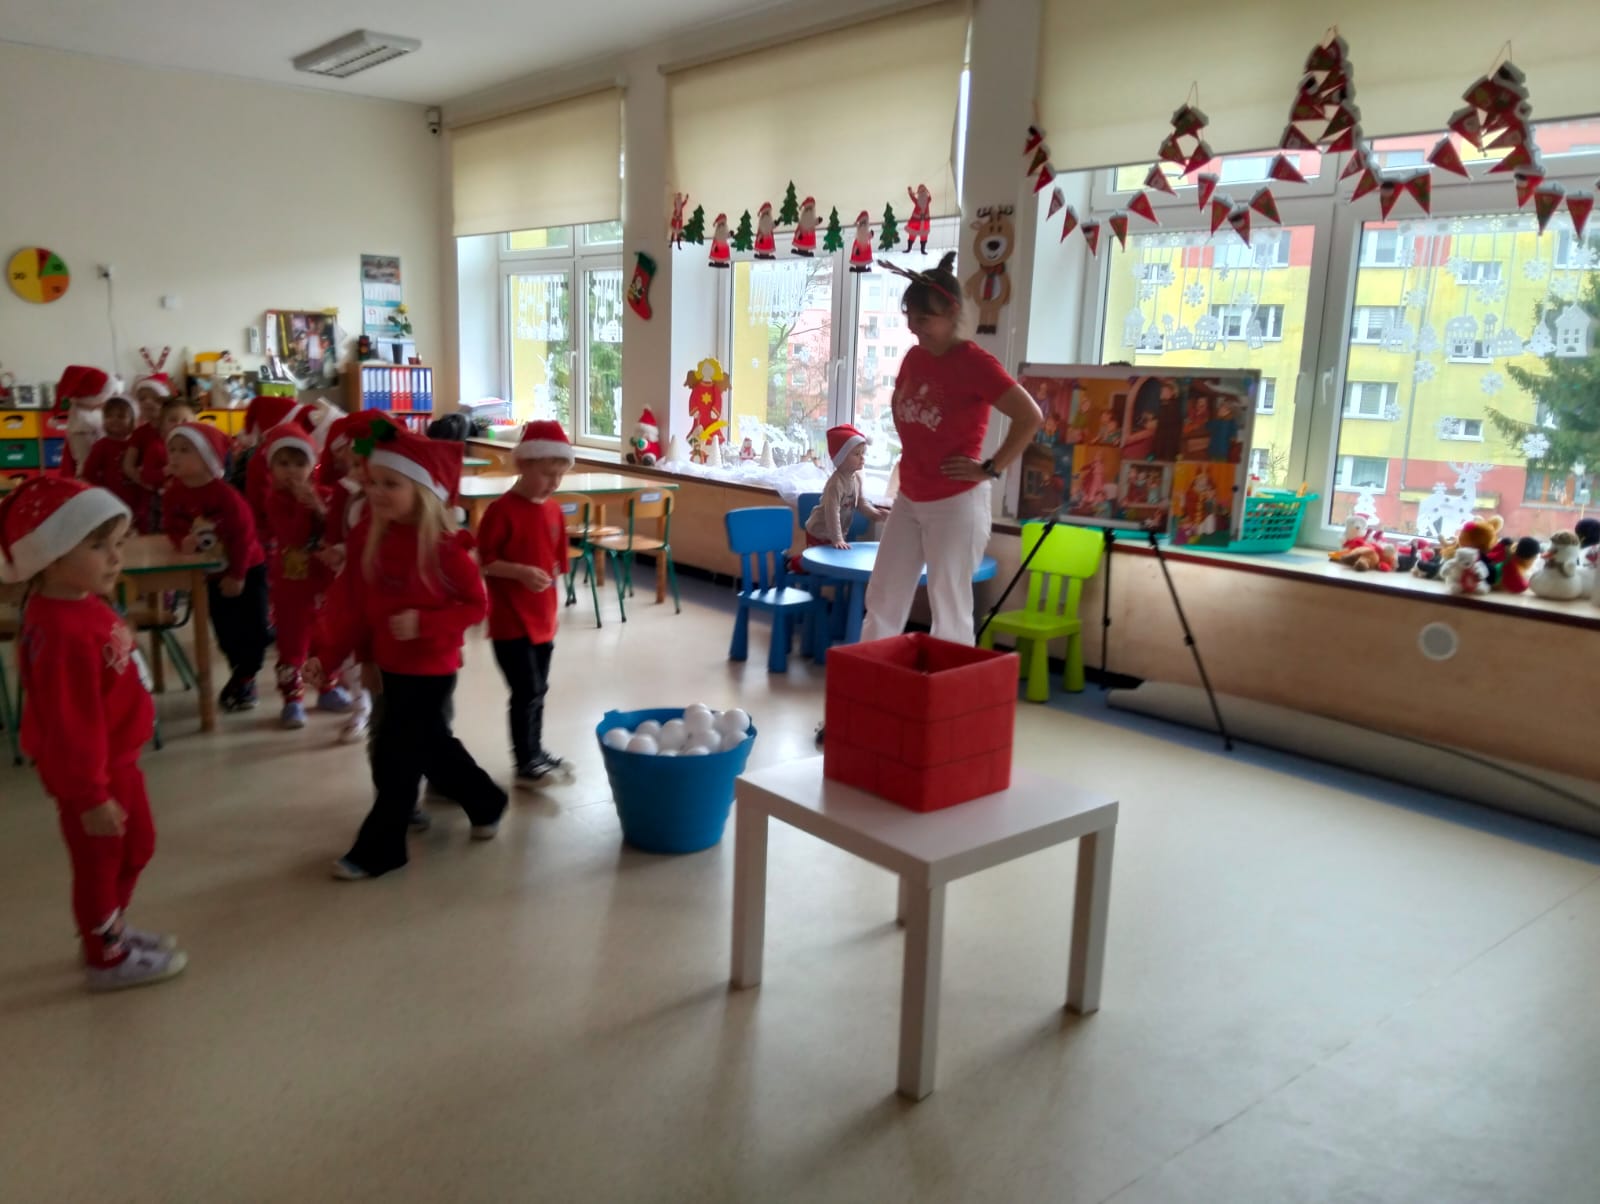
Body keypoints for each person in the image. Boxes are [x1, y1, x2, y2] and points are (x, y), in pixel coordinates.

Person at [0, 477, 188, 990]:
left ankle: (111, 930)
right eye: (98, 545)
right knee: (102, 861)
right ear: (50, 557)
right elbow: (69, 726)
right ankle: (105, 955)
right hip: (93, 777)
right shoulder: (59, 630)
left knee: (136, 846)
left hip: (118, 761)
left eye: (118, 543)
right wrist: (90, 797)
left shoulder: (82, 601)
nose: (115, 557)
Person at [304, 432, 507, 879]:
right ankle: (486, 799)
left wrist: (425, 624)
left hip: (432, 668)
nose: (376, 492)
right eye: (372, 482)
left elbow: (477, 606)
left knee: (399, 753)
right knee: (431, 747)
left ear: (423, 491)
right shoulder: (368, 538)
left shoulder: (446, 549)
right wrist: (331, 656)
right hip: (391, 665)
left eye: (390, 484)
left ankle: (381, 848)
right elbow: (352, 607)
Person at [859, 253, 1043, 646]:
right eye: (910, 317)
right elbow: (906, 413)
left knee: (949, 607)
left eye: (924, 319)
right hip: (911, 495)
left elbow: (1030, 416)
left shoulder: (975, 363)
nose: (914, 327)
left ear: (952, 313)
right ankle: (871, 675)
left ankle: (949, 684)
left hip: (956, 502)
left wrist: (990, 467)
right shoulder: (914, 357)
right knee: (883, 597)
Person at [478, 420, 574, 787]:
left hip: (543, 621)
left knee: (539, 691)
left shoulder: (553, 511)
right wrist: (518, 572)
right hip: (510, 622)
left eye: (559, 476)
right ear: (523, 465)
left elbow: (556, 563)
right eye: (548, 474)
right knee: (527, 691)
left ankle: (535, 751)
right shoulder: (501, 511)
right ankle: (525, 761)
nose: (554, 483)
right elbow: (485, 561)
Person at [163, 420, 269, 711]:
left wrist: (237, 575)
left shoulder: (226, 496)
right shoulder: (173, 494)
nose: (175, 455)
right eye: (172, 449)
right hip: (212, 575)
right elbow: (172, 527)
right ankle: (240, 673)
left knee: (254, 628)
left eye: (185, 450)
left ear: (207, 457)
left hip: (247, 569)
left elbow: (244, 536)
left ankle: (246, 676)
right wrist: (181, 541)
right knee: (225, 630)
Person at [260, 423, 352, 729]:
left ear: (312, 465)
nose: (292, 471)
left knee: (326, 637)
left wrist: (321, 508)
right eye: (283, 463)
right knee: (293, 643)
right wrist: (304, 507)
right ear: (271, 467)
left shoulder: (324, 494)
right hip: (291, 586)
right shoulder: (274, 500)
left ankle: (327, 687)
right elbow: (294, 536)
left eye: (299, 463)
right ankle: (292, 699)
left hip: (323, 583)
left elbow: (334, 530)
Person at [799, 425, 887, 565]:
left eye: (863, 453)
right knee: (817, 564)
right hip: (819, 531)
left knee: (832, 563)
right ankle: (794, 563)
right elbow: (831, 512)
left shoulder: (856, 479)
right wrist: (837, 539)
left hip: (835, 534)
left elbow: (861, 503)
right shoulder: (835, 484)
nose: (862, 458)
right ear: (842, 458)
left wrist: (875, 514)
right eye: (856, 454)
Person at [81, 395, 149, 530]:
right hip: (111, 499)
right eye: (109, 416)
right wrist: (101, 493)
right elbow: (89, 472)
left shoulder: (137, 445)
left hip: (137, 497)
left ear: (132, 420)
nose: (114, 420)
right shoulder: (102, 445)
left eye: (121, 416)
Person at [124, 378, 172, 531]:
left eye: (155, 399)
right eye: (142, 398)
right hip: (149, 492)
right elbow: (128, 466)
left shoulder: (175, 429)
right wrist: (146, 484)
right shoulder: (139, 433)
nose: (147, 402)